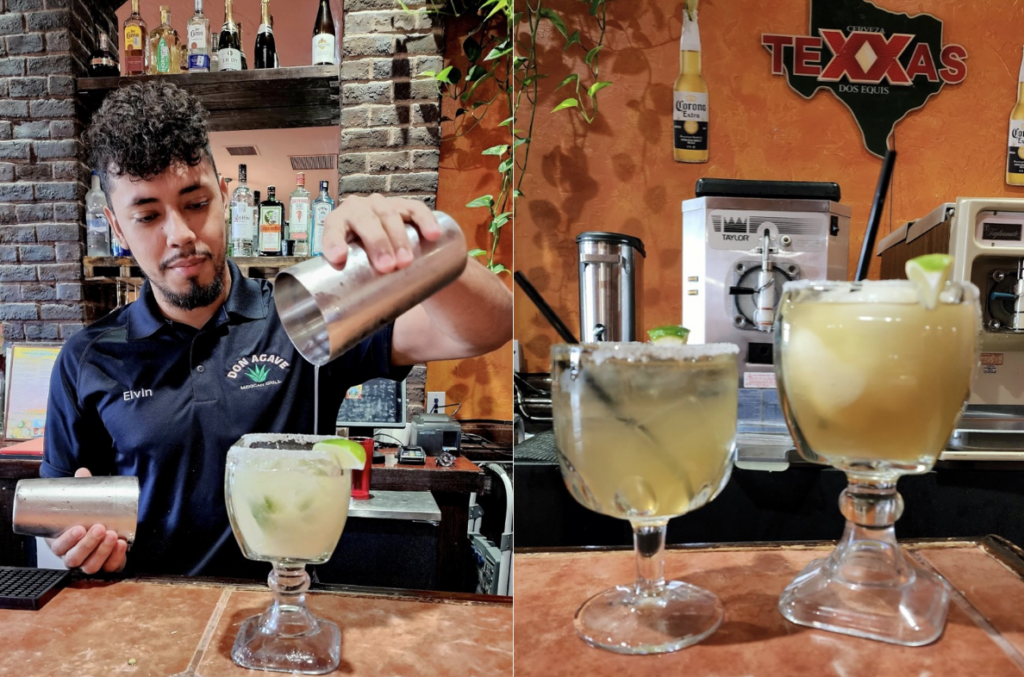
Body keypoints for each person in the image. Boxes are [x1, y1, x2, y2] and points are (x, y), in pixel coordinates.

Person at [41, 81, 512, 577]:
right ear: (118, 229)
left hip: (284, 618)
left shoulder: (303, 317)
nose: (179, 234)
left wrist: (425, 245)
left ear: (225, 199)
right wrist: (78, 540)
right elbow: (59, 507)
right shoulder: (87, 358)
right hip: (148, 623)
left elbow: (487, 328)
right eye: (148, 215)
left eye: (196, 203)